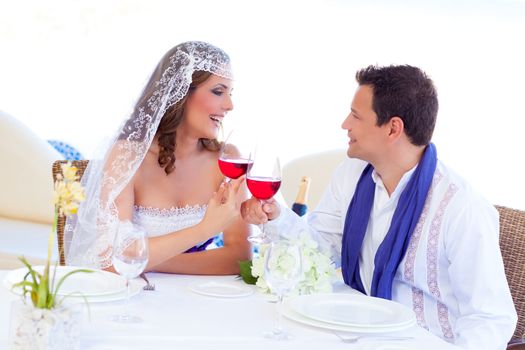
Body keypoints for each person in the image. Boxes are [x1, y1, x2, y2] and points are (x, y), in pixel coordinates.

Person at [241, 65, 517, 348]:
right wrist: (275, 218)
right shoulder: (351, 173)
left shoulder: (461, 207)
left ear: (393, 128)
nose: (345, 124)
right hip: (353, 331)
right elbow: (323, 248)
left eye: (356, 116)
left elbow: (489, 318)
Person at [66, 41, 251, 274]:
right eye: (218, 91)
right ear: (181, 93)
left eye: (230, 93)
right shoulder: (128, 156)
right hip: (134, 298)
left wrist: (143, 260)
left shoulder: (229, 160)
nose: (230, 105)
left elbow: (239, 258)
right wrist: (202, 231)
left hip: (199, 296)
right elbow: (109, 262)